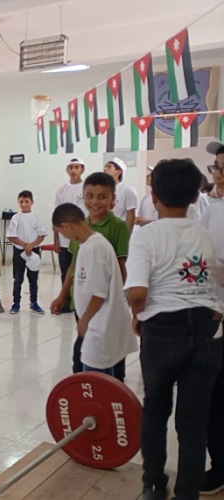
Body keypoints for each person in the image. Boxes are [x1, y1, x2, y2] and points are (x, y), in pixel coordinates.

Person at [125, 159, 223, 500]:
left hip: (163, 333)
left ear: (153, 196)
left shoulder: (147, 235)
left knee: (155, 411)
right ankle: (187, 494)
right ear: (196, 196)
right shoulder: (203, 234)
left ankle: (154, 485)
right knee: (193, 424)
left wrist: (138, 314)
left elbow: (137, 292)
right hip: (207, 333)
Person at [50, 172, 129, 381]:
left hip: (100, 313)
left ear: (113, 199)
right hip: (87, 307)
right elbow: (74, 266)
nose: (95, 202)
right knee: (86, 361)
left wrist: (120, 299)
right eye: (90, 196)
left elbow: (105, 286)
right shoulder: (83, 231)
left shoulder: (108, 234)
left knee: (103, 367)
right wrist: (63, 295)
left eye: (102, 196)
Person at [200, 141, 224, 495]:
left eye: (221, 169)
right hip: (214, 318)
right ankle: (219, 465)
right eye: (216, 168)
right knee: (216, 398)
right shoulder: (212, 211)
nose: (217, 175)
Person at [7, 190, 48, 314]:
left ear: (32, 202)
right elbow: (11, 236)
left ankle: (34, 302)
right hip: (19, 251)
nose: (24, 204)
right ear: (18, 202)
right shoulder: (16, 218)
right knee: (18, 279)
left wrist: (32, 245)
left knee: (33, 279)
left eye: (26, 201)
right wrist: (25, 245)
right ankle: (16, 303)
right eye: (21, 202)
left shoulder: (37, 217)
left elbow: (41, 235)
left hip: (33, 251)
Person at [51, 157, 87, 291]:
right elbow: (56, 216)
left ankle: (80, 300)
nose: (73, 170)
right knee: (66, 272)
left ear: (82, 169)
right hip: (65, 240)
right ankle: (65, 300)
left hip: (83, 239)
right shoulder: (61, 190)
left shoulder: (87, 189)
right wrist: (56, 239)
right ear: (67, 170)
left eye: (77, 167)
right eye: (71, 167)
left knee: (83, 273)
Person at [103, 157, 138, 232]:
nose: (105, 169)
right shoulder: (102, 190)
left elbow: (130, 217)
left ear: (118, 172)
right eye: (105, 167)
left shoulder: (128, 190)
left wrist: (125, 236)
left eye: (109, 167)